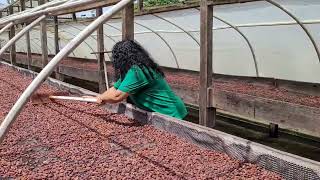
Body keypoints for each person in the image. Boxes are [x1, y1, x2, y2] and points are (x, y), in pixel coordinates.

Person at [94, 40, 188, 120]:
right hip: (161, 112)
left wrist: (102, 98)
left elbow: (117, 96)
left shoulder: (137, 71)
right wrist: (100, 97)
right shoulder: (131, 71)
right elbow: (114, 89)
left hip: (170, 113)